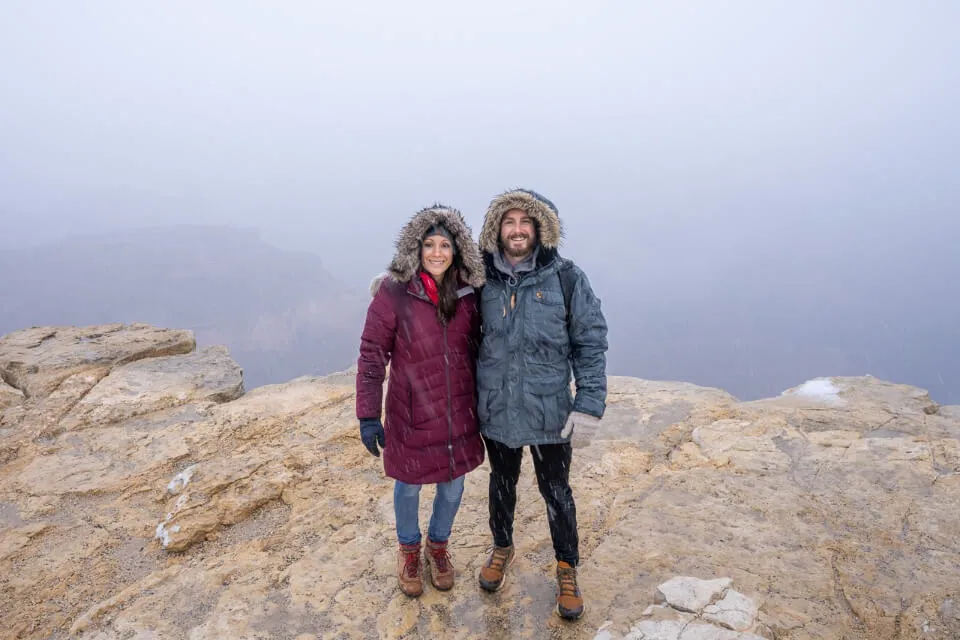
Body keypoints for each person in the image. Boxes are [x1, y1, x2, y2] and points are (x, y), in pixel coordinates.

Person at [474, 189, 608, 620]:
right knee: (501, 483)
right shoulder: (482, 279)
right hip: (497, 407)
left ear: (539, 228)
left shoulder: (567, 278)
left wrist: (587, 405)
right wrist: (397, 288)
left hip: (550, 409)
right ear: (498, 228)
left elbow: (590, 340)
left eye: (525, 222)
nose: (516, 230)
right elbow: (437, 292)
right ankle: (502, 547)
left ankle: (567, 568)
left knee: (556, 491)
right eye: (509, 222)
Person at [355, 205, 486, 597]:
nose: (437, 253)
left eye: (445, 244)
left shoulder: (469, 292)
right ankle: (409, 550)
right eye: (429, 244)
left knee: (452, 484)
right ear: (416, 248)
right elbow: (372, 353)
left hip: (459, 409)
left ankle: (438, 545)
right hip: (411, 412)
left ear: (457, 250)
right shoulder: (395, 293)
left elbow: (488, 346)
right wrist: (367, 414)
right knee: (409, 486)